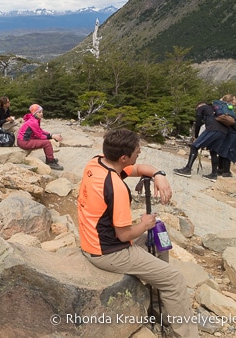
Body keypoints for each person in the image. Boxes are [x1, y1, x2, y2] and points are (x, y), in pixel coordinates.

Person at [77, 128, 198, 338]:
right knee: (175, 279)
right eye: (136, 150)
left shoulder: (97, 163)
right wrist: (145, 223)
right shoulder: (115, 187)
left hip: (94, 241)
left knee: (159, 240)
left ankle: (160, 303)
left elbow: (138, 168)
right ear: (124, 157)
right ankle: (186, 334)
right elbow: (125, 235)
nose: (139, 152)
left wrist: (158, 174)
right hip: (109, 252)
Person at [173, 94, 236, 180]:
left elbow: (198, 122)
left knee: (194, 146)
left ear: (199, 105)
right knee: (213, 151)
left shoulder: (202, 107)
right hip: (223, 132)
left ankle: (187, 169)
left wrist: (196, 136)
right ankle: (213, 175)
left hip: (212, 129)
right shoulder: (216, 109)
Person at [16, 104, 63, 170]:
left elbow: (40, 131)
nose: (41, 114)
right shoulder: (33, 122)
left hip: (25, 140)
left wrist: (51, 135)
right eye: (39, 112)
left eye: (42, 112)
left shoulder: (34, 119)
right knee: (47, 143)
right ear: (34, 113)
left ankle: (50, 158)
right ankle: (50, 162)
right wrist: (52, 136)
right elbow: (40, 135)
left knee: (46, 141)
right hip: (24, 142)